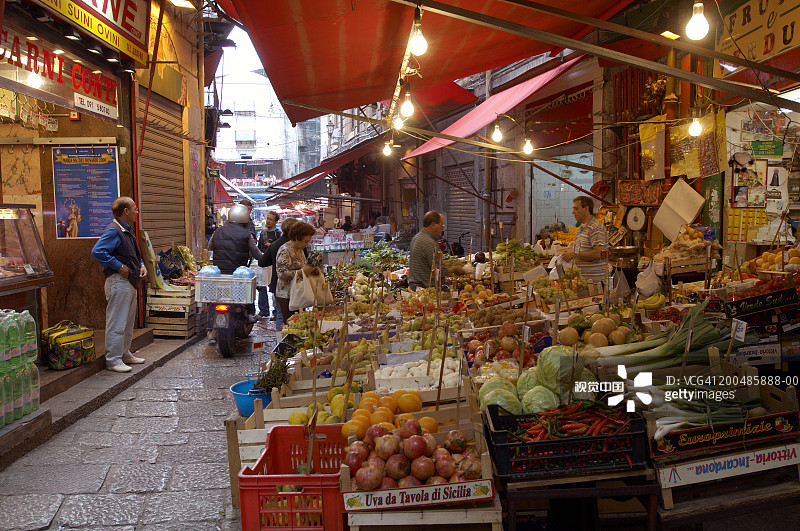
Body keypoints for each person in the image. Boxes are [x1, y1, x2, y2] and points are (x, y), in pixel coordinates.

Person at [91, 197, 147, 373]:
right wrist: (118, 266)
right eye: (134, 208)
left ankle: (124, 353)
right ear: (125, 211)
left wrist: (142, 264)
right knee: (117, 321)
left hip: (129, 281)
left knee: (128, 320)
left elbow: (133, 254)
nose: (136, 211)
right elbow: (97, 251)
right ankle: (113, 359)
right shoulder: (113, 231)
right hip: (118, 282)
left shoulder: (126, 231)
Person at [275, 222, 319, 324]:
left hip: (299, 292)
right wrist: (302, 271)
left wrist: (311, 270)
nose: (306, 244)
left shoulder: (300, 250)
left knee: (300, 321)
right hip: (287, 295)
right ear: (296, 237)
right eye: (305, 241)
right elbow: (282, 274)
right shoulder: (284, 251)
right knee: (290, 323)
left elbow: (303, 267)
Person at [408, 211, 464, 290]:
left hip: (414, 286)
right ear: (433, 225)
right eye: (441, 225)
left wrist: (445, 262)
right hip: (424, 289)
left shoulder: (417, 237)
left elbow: (426, 263)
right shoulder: (429, 243)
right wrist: (454, 269)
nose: (442, 229)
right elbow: (439, 272)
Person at [260, 217, 298, 329]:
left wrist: (273, 260)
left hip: (278, 285)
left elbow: (262, 262)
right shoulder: (297, 244)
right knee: (295, 315)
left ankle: (280, 342)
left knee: (281, 315)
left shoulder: (275, 245)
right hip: (295, 285)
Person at [560, 196, 608, 284]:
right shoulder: (580, 229)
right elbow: (582, 251)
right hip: (583, 282)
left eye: (576, 209)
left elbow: (598, 254)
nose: (573, 212)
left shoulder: (595, 228)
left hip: (595, 283)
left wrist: (574, 254)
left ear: (586, 208)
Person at [256, 211, 281, 318]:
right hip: (264, 263)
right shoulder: (263, 233)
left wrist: (272, 246)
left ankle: (276, 311)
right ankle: (263, 310)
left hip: (274, 264)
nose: (268, 221)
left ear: (276, 222)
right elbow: (258, 247)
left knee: (274, 287)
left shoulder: (278, 234)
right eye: (267, 218)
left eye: (271, 219)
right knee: (261, 286)